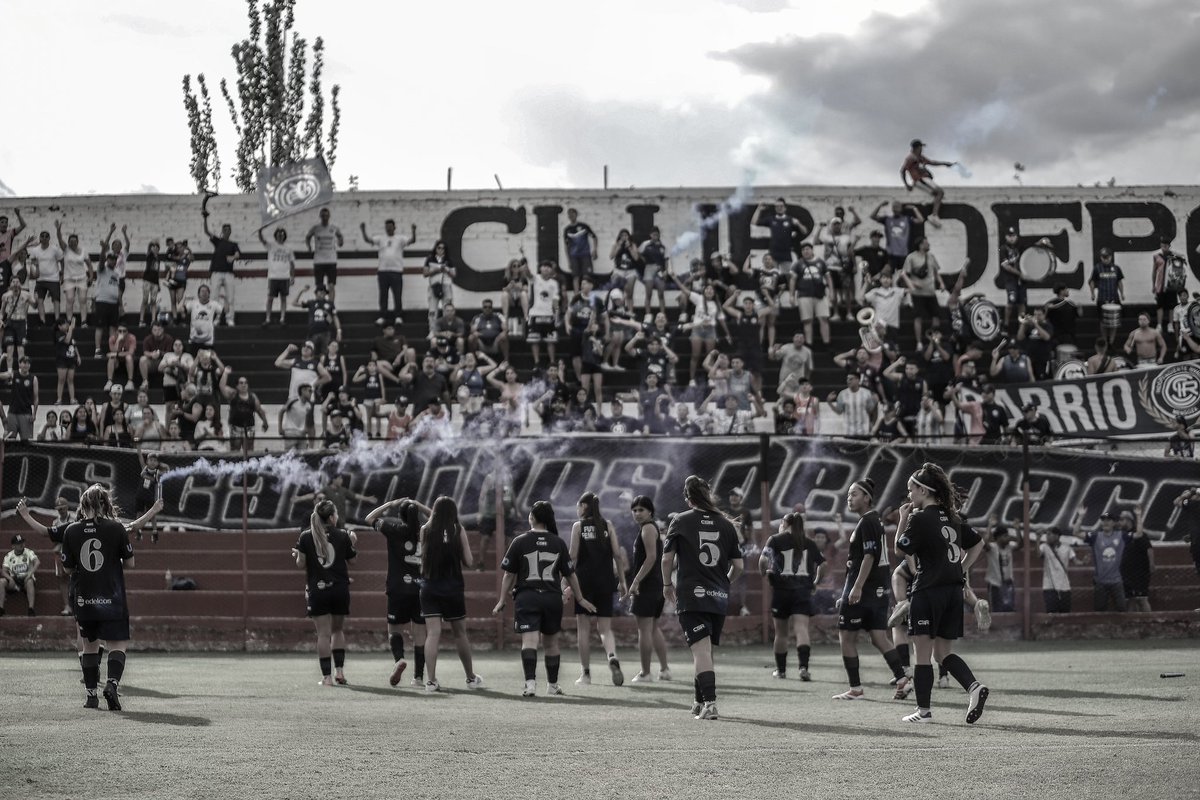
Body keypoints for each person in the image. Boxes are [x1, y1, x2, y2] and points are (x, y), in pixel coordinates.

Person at [894, 463, 988, 724]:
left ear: (924, 490)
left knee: (922, 653)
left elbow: (900, 550)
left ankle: (923, 712)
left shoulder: (920, 518)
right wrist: (962, 568)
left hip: (928, 591)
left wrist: (902, 519)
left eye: (911, 490)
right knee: (942, 654)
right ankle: (974, 687)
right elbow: (979, 543)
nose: (909, 495)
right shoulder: (954, 517)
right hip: (953, 592)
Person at [661, 475, 743, 721]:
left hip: (691, 594)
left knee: (700, 651)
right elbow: (738, 566)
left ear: (687, 499)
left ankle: (710, 703)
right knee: (705, 649)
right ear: (709, 495)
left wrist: (667, 584)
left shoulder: (679, 521)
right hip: (718, 596)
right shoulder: (727, 524)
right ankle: (698, 701)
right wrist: (722, 583)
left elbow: (667, 559)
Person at [493, 501, 595, 697]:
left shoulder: (519, 541)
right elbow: (571, 574)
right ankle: (552, 685)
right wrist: (580, 598)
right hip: (551, 598)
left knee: (529, 642)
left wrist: (501, 599)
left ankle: (530, 684)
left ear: (531, 517)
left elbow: (508, 575)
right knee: (551, 644)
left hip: (527, 596)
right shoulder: (558, 542)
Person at [59, 485, 147, 710]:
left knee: (89, 646)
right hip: (112, 596)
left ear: (83, 505)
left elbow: (67, 569)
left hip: (85, 597)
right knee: (117, 643)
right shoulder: (116, 528)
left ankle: (91, 696)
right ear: (105, 504)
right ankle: (112, 684)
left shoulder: (71, 530)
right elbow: (130, 563)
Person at [832, 479, 909, 701]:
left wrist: (855, 588)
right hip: (876, 590)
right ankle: (903, 679)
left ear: (867, 497)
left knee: (846, 637)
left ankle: (855, 688)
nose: (850, 498)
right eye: (848, 494)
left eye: (854, 494)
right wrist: (847, 592)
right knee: (878, 637)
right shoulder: (873, 521)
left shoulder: (868, 522)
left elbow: (869, 556)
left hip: (864, 590)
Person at [418, 496, 483, 693]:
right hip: (453, 587)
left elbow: (423, 558)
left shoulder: (425, 530)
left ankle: (430, 681)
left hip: (429, 587)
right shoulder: (458, 529)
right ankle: (471, 678)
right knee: (460, 633)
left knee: (433, 633)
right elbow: (469, 561)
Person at [366, 497, 431, 689]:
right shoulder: (425, 531)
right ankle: (418, 678)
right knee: (419, 634)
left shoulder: (393, 528)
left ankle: (399, 660)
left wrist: (390, 504)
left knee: (394, 629)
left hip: (397, 587)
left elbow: (369, 518)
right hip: (420, 588)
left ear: (400, 515)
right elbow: (437, 515)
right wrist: (419, 505)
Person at [292, 499, 357, 686]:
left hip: (317, 590)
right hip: (339, 589)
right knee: (337, 630)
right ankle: (341, 673)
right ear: (331, 517)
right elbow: (352, 561)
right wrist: (352, 543)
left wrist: (297, 554)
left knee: (323, 634)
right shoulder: (343, 535)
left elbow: (301, 564)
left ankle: (327, 677)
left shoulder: (305, 536)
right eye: (336, 514)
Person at [566, 492, 627, 687]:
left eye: (578, 506)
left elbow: (572, 556)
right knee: (605, 629)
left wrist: (565, 582)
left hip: (583, 584)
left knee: (583, 630)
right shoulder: (607, 525)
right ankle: (611, 655)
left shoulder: (578, 526)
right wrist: (623, 582)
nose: (577, 510)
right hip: (605, 582)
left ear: (584, 507)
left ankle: (585, 674)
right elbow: (617, 555)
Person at [760, 512, 825, 681]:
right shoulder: (809, 543)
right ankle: (803, 667)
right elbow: (823, 564)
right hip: (802, 592)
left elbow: (762, 561)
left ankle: (781, 671)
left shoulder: (775, 539)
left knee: (781, 634)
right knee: (801, 629)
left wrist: (765, 575)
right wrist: (816, 582)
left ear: (784, 523)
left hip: (781, 592)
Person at [620, 496, 672, 683]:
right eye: (634, 510)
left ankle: (645, 673)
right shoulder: (649, 528)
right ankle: (664, 670)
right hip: (656, 585)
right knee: (652, 628)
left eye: (641, 509)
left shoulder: (648, 528)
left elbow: (651, 558)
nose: (637, 513)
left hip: (648, 586)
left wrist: (635, 582)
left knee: (644, 629)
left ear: (650, 511)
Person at [361, 219, 416, 326]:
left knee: (397, 295)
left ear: (394, 227)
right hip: (383, 271)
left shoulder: (400, 238)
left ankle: (398, 316)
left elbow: (412, 241)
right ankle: (382, 316)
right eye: (387, 226)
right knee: (383, 295)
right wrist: (363, 230)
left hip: (396, 271)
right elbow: (368, 240)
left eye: (390, 226)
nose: (388, 228)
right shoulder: (381, 238)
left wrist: (413, 231)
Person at [202, 198, 242, 325]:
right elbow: (207, 231)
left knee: (230, 297)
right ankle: (216, 318)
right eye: (224, 229)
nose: (226, 231)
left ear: (230, 232)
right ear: (222, 231)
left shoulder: (233, 244)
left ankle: (230, 318)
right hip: (216, 272)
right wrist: (205, 218)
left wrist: (233, 257)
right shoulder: (217, 241)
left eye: (228, 230)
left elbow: (238, 254)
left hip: (229, 273)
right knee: (214, 297)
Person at [901, 139, 955, 224]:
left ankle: (930, 209)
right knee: (940, 192)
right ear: (916, 148)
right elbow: (903, 170)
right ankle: (934, 215)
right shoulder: (911, 158)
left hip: (925, 179)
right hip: (920, 180)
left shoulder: (920, 157)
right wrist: (906, 184)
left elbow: (932, 162)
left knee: (938, 195)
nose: (922, 149)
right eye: (920, 147)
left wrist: (945, 163)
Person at [258, 226, 296, 326]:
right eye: (278, 234)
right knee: (270, 298)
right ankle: (267, 318)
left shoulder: (288, 249)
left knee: (283, 298)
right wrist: (260, 231)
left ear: (284, 236)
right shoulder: (271, 246)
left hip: (285, 277)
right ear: (275, 236)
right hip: (273, 276)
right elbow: (262, 240)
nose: (280, 236)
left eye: (282, 234)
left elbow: (292, 264)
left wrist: (292, 277)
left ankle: (282, 318)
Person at [305, 207, 344, 302]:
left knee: (331, 285)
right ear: (320, 216)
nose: (324, 217)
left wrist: (340, 242)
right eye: (323, 216)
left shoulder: (333, 228)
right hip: (319, 261)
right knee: (319, 286)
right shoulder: (316, 228)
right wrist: (309, 247)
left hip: (331, 260)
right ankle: (320, 306)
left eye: (326, 216)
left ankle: (331, 306)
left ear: (329, 216)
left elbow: (340, 236)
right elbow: (308, 237)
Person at [1038, 526, 1076, 613]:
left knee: (1065, 613)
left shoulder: (1067, 548)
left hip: (1064, 586)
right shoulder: (1044, 546)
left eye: (1049, 534)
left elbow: (1076, 561)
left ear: (1057, 536)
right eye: (1046, 534)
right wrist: (1037, 539)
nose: (1047, 537)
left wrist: (1084, 561)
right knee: (1051, 613)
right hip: (1049, 586)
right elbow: (1038, 555)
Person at [1, 534, 39, 616]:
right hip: (14, 580)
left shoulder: (28, 552)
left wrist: (30, 574)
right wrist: (10, 579)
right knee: (1, 582)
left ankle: (31, 609)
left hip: (26, 579)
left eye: (22, 542)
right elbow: (3, 571)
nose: (21, 545)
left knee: (29, 581)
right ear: (13, 546)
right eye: (18, 543)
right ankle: (1, 609)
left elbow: (37, 562)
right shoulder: (9, 556)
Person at [0, 356, 37, 440]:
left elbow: (36, 398)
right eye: (24, 363)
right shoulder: (13, 374)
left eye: (28, 363)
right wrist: (1, 359)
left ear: (30, 365)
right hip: (13, 412)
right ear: (20, 364)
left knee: (26, 442)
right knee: (10, 440)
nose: (26, 365)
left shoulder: (33, 379)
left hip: (26, 413)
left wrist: (34, 413)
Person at [562, 208, 598, 292]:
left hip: (585, 254)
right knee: (575, 276)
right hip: (574, 256)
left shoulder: (584, 226)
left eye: (573, 214)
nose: (571, 216)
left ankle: (587, 295)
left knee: (587, 276)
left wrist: (595, 250)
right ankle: (576, 297)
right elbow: (566, 246)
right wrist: (568, 260)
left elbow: (594, 237)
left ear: (576, 214)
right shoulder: (567, 230)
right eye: (569, 215)